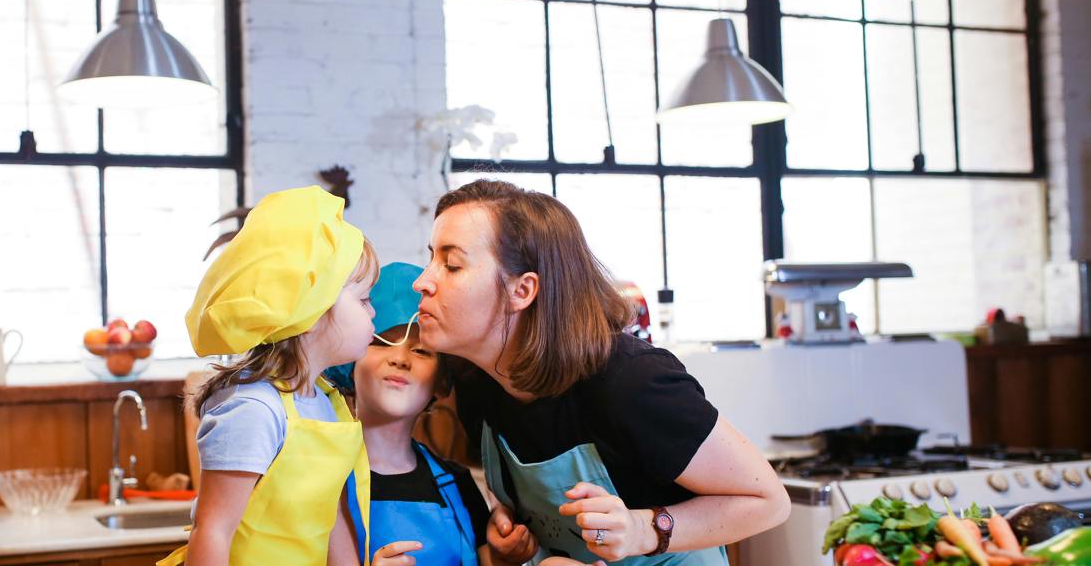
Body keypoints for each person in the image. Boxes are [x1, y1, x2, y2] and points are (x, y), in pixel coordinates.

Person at [412, 180, 790, 566]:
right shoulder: (476, 381)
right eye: (431, 260)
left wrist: (642, 529)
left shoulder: (633, 383)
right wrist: (513, 524)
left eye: (452, 265)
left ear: (522, 291)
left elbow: (768, 500)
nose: (422, 282)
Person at [161, 186, 379, 566]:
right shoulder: (255, 410)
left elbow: (328, 521)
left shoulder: (326, 402)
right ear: (312, 310)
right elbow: (213, 531)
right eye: (363, 299)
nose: (373, 312)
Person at [326, 262, 515, 566]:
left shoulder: (458, 484)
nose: (400, 358)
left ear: (441, 381)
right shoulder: (319, 478)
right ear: (350, 360)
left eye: (421, 350)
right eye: (382, 342)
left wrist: (509, 553)